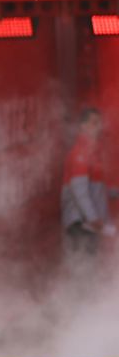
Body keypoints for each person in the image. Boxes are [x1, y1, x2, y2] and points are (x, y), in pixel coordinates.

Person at [61, 108, 113, 265]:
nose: (98, 126)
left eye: (99, 122)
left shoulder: (91, 153)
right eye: (94, 122)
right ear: (82, 126)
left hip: (87, 225)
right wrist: (93, 218)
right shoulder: (80, 153)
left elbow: (96, 190)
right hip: (81, 224)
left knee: (86, 270)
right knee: (83, 271)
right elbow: (80, 191)